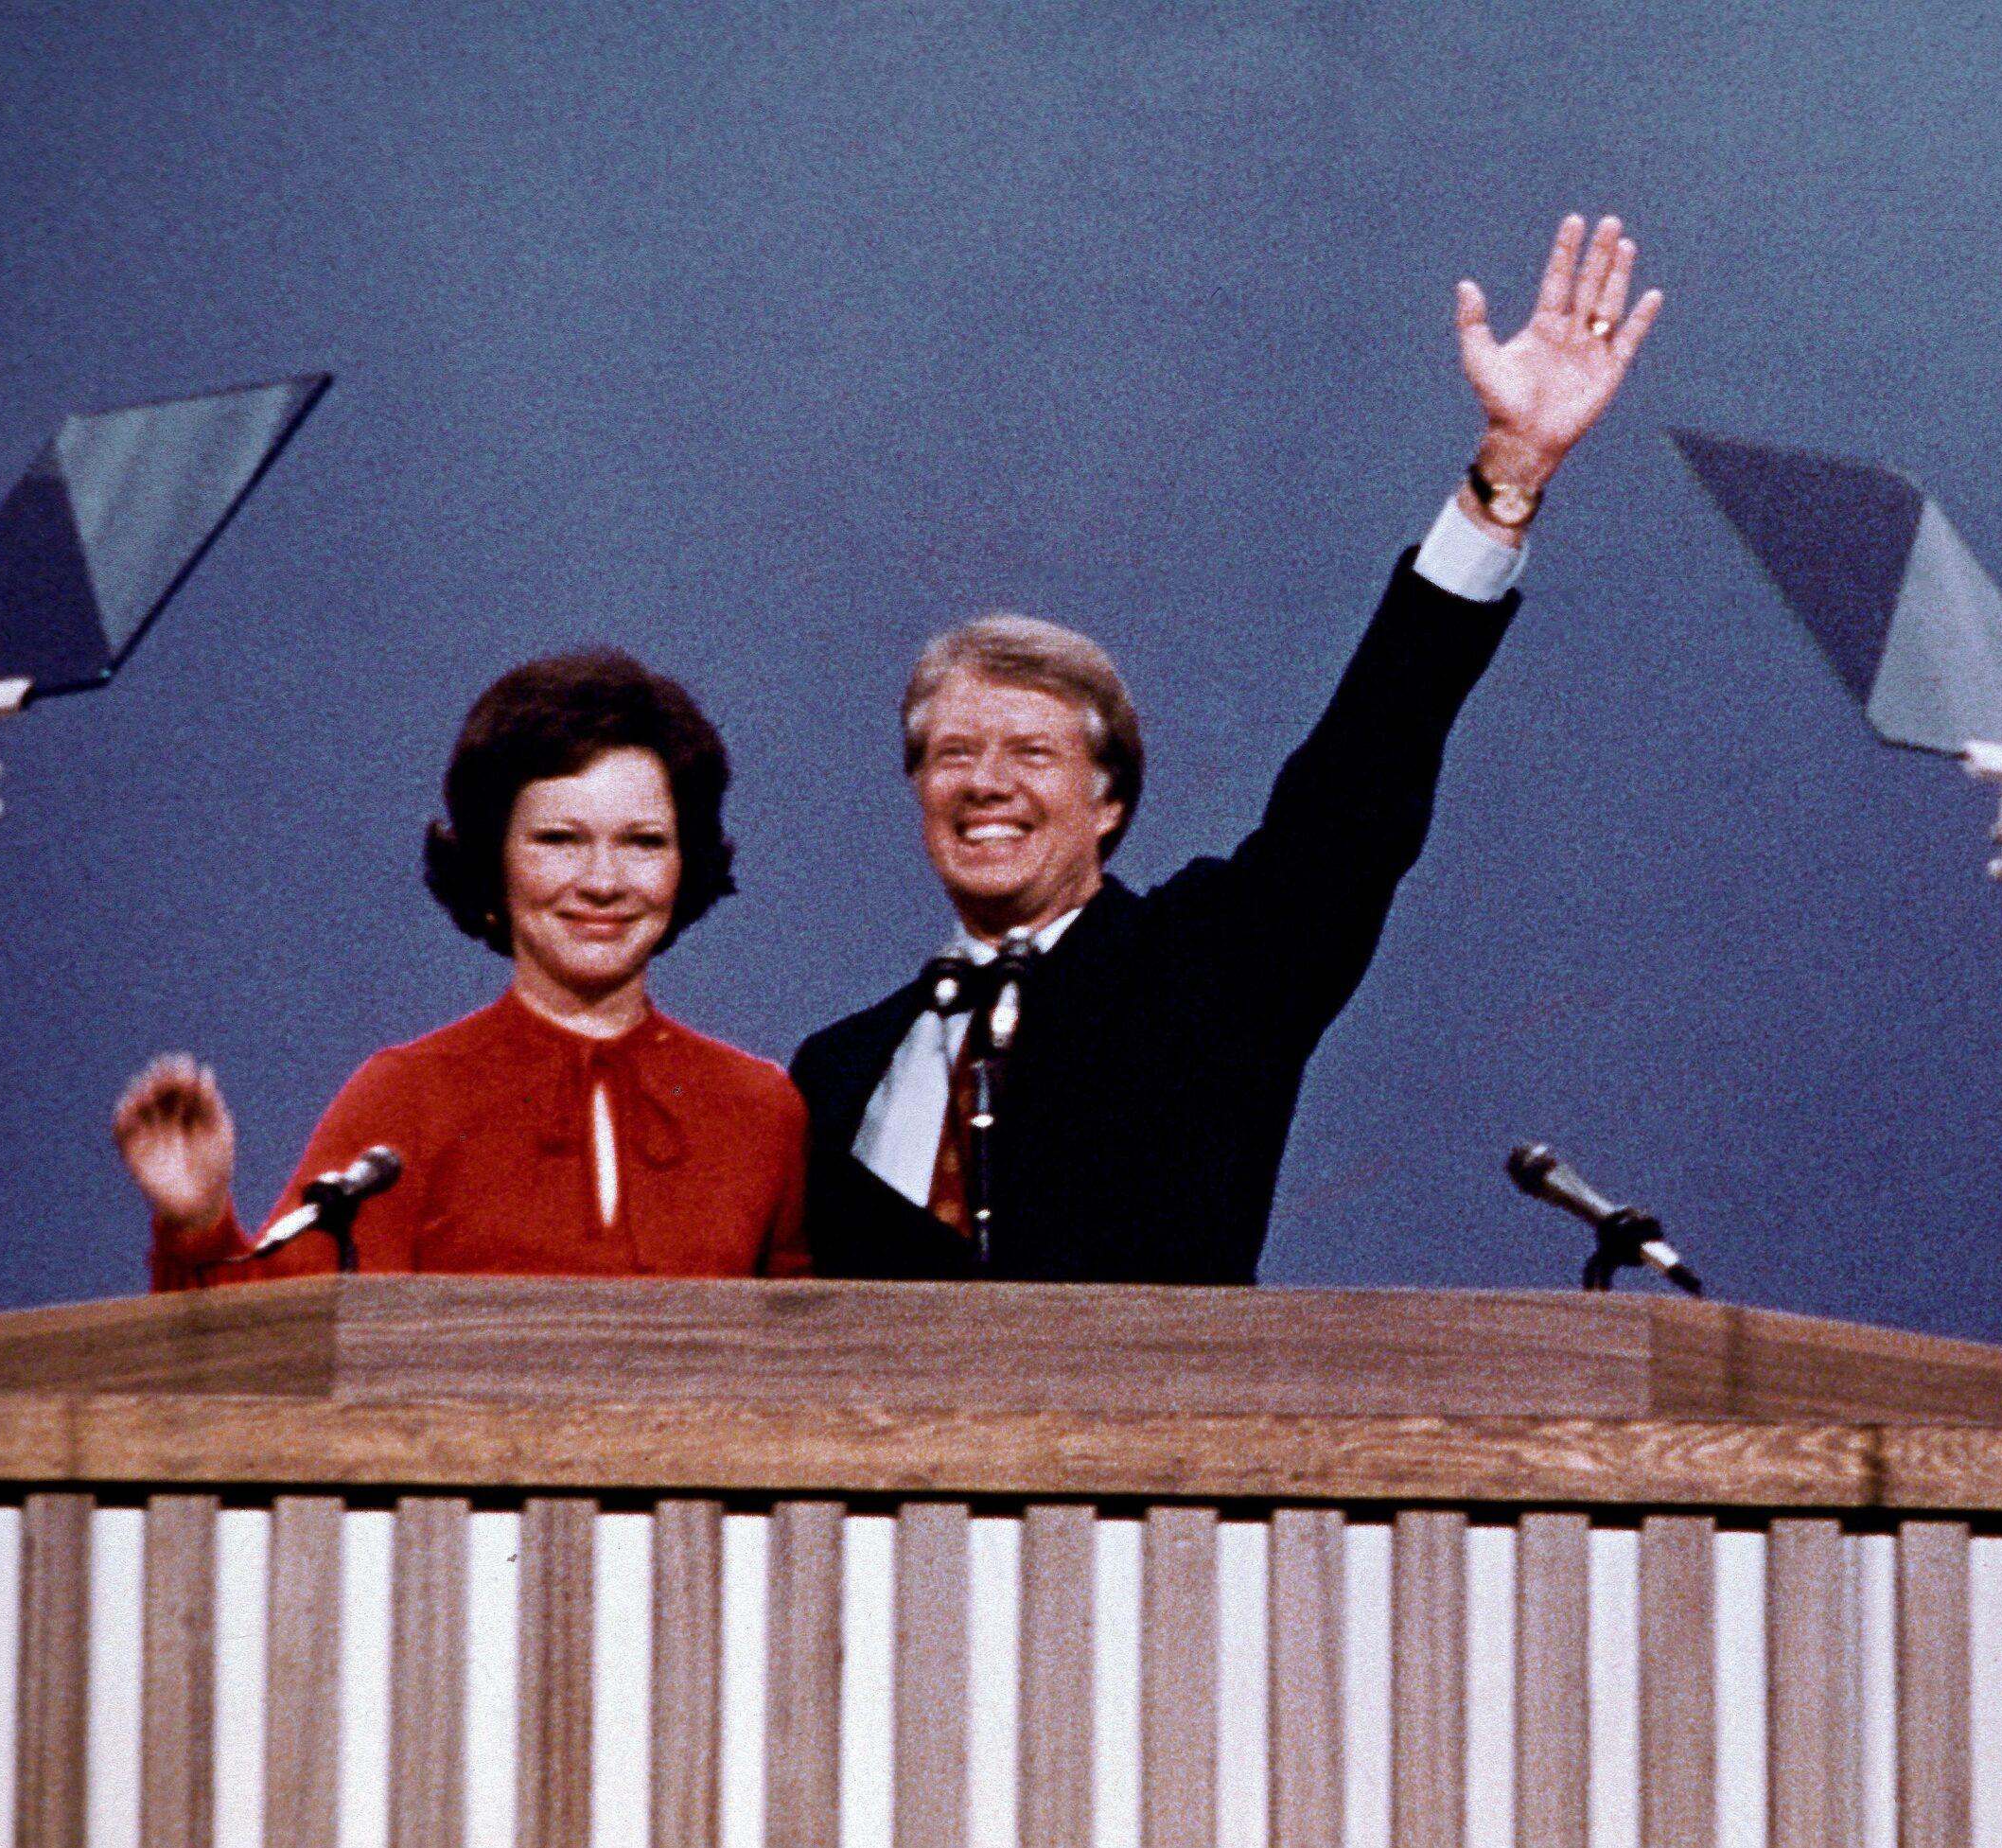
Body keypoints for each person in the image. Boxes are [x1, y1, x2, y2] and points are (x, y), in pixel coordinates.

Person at [790, 213, 1661, 1284]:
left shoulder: (1210, 975)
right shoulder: (831, 1074)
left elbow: (1358, 785)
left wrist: (1506, 475)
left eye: (1031, 753)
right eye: (953, 754)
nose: (986, 784)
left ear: (1110, 800)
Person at [116, 651, 810, 1287]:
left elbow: (824, 1375)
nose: (603, 881)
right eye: (559, 840)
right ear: (493, 859)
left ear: (686, 862)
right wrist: (197, 1223)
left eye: (644, 842)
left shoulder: (763, 1111)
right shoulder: (407, 1097)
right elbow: (283, 1355)